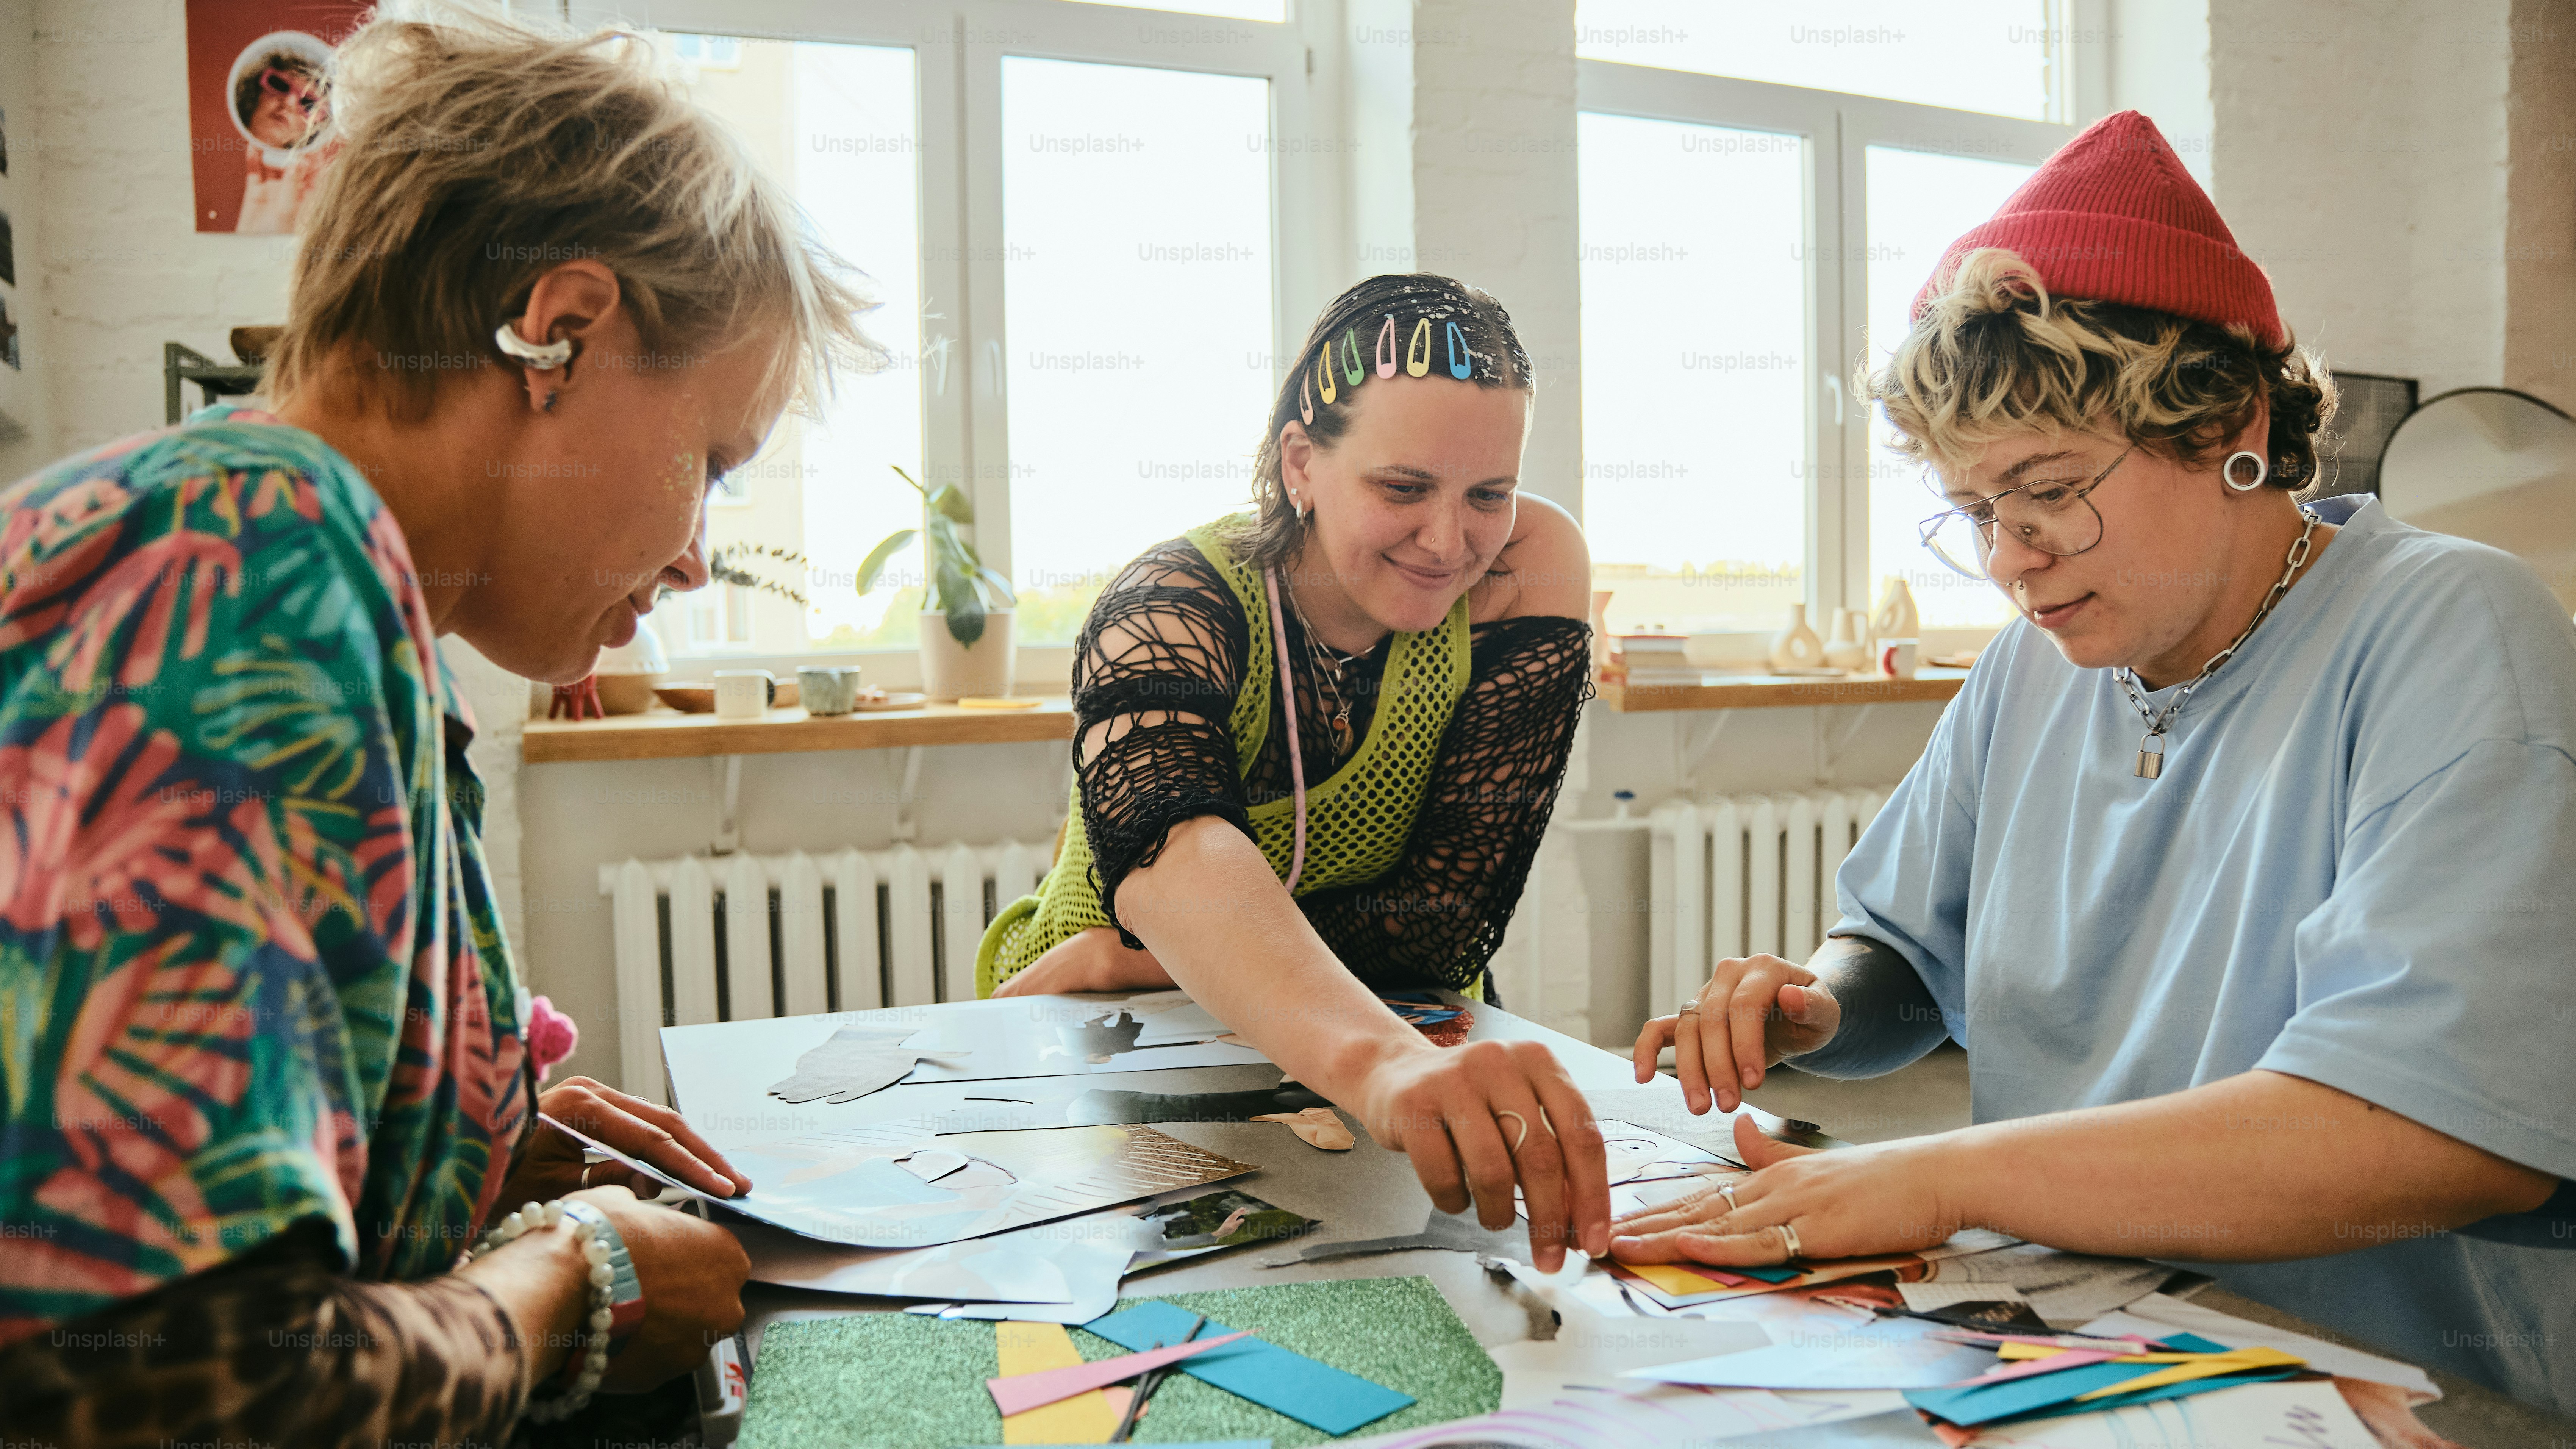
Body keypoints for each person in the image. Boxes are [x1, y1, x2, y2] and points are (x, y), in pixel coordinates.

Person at [0, 9, 876, 1444]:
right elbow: (155, 1369)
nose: (697, 556)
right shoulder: (246, 554)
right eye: (712, 464)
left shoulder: (308, 583)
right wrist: (568, 1281)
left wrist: (486, 1141)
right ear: (562, 329)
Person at [1613, 111, 2576, 1415]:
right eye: (1979, 515)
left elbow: (2437, 1129)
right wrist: (1826, 1008)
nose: (2012, 558)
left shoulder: (2454, 630)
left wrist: (1940, 1175)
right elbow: (1905, 954)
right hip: (2080, 1342)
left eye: (2051, 490)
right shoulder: (2038, 663)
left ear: (2231, 424)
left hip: (2393, 1389)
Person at [977, 273, 1613, 1272]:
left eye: (1488, 493)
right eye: (1402, 488)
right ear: (1301, 463)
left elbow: (1442, 923)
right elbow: (1177, 851)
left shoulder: (1527, 567)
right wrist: (1169, 967)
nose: (1451, 541)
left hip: (1370, 1035)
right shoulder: (1169, 599)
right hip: (1117, 1032)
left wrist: (1144, 949)